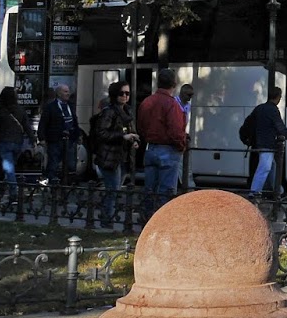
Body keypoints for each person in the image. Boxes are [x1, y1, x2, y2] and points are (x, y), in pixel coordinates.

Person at [137, 68, 188, 212]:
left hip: (151, 148)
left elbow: (141, 126)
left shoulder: (147, 102)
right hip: (168, 150)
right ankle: (161, 222)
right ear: (174, 84)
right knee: (166, 191)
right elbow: (175, 130)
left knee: (150, 189)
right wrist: (181, 145)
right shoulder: (172, 104)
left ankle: (147, 219)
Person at [90, 80, 139, 226]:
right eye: (121, 93)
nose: (125, 96)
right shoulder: (109, 112)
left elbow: (132, 130)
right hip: (110, 156)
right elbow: (102, 133)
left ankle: (108, 217)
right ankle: (106, 219)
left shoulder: (127, 111)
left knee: (116, 189)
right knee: (112, 189)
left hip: (123, 156)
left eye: (127, 93)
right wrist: (122, 137)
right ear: (114, 95)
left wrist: (134, 140)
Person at [247, 85, 287, 196]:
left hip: (258, 142)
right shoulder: (273, 110)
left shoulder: (259, 108)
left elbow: (248, 123)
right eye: (280, 97)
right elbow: (281, 128)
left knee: (272, 167)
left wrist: (247, 139)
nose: (280, 99)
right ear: (277, 97)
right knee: (265, 167)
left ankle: (277, 190)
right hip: (267, 143)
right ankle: (254, 191)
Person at [0, 87, 32, 200]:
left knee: (9, 169)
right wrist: (33, 140)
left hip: (4, 142)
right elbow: (27, 127)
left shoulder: (0, 112)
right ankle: (1, 191)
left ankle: (13, 193)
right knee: (9, 168)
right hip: (18, 143)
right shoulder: (20, 110)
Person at [38, 83, 81, 185]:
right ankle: (52, 183)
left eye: (68, 91)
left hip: (70, 139)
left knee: (71, 164)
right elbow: (43, 123)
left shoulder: (70, 105)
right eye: (65, 91)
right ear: (59, 93)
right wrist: (42, 138)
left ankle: (67, 184)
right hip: (55, 140)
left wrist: (78, 135)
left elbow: (75, 121)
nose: (68, 93)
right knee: (53, 163)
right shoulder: (50, 107)